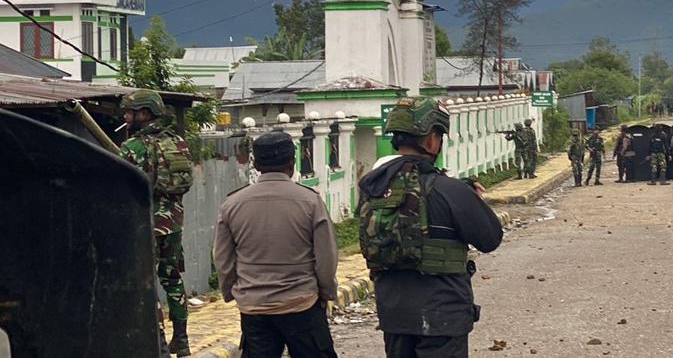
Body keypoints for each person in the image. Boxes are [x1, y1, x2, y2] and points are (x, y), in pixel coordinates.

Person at [358, 96, 503, 357]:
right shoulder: (451, 190)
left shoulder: (373, 187)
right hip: (443, 314)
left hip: (394, 313)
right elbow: (490, 238)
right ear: (431, 139)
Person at [213, 131, 338, 358]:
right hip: (302, 304)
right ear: (292, 163)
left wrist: (232, 292)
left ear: (257, 165)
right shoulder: (310, 201)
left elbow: (222, 258)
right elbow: (326, 257)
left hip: (254, 308)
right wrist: (326, 292)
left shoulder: (232, 204)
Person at [118, 89, 194, 356]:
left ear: (144, 114)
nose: (126, 117)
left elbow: (120, 188)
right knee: (172, 279)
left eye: (130, 112)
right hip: (173, 224)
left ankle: (159, 341)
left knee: (147, 282)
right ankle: (182, 339)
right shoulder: (177, 142)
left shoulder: (132, 148)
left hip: (145, 227)